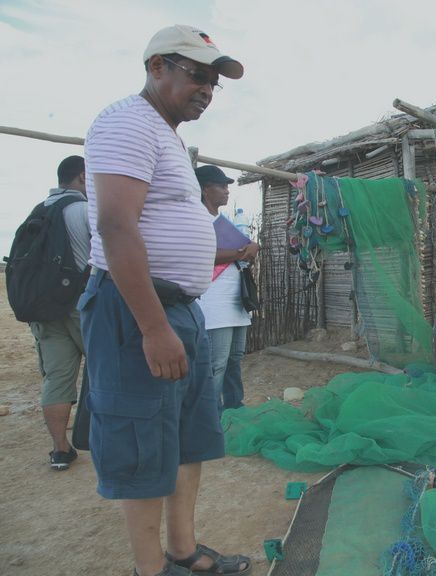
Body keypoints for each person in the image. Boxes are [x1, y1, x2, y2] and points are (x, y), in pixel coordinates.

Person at [79, 26, 250, 576]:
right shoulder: (128, 121)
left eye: (212, 82)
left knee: (188, 439)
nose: (205, 88)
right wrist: (153, 327)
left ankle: (184, 553)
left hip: (179, 307)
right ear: (156, 67)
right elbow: (114, 224)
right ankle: (151, 569)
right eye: (196, 74)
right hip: (138, 309)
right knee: (143, 447)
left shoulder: (166, 134)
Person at [28, 155, 90, 470]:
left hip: (44, 309)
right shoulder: (82, 210)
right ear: (82, 176)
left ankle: (60, 450)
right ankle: (103, 438)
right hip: (80, 306)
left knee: (57, 378)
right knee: (107, 370)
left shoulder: (39, 212)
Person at [196, 165, 259, 410]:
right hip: (213, 302)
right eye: (221, 186)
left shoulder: (224, 221)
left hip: (236, 300)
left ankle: (235, 407)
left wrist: (251, 248)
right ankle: (210, 415)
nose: (226, 191)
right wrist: (240, 252)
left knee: (234, 358)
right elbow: (201, 255)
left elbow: (243, 251)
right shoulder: (196, 219)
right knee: (217, 362)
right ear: (204, 189)